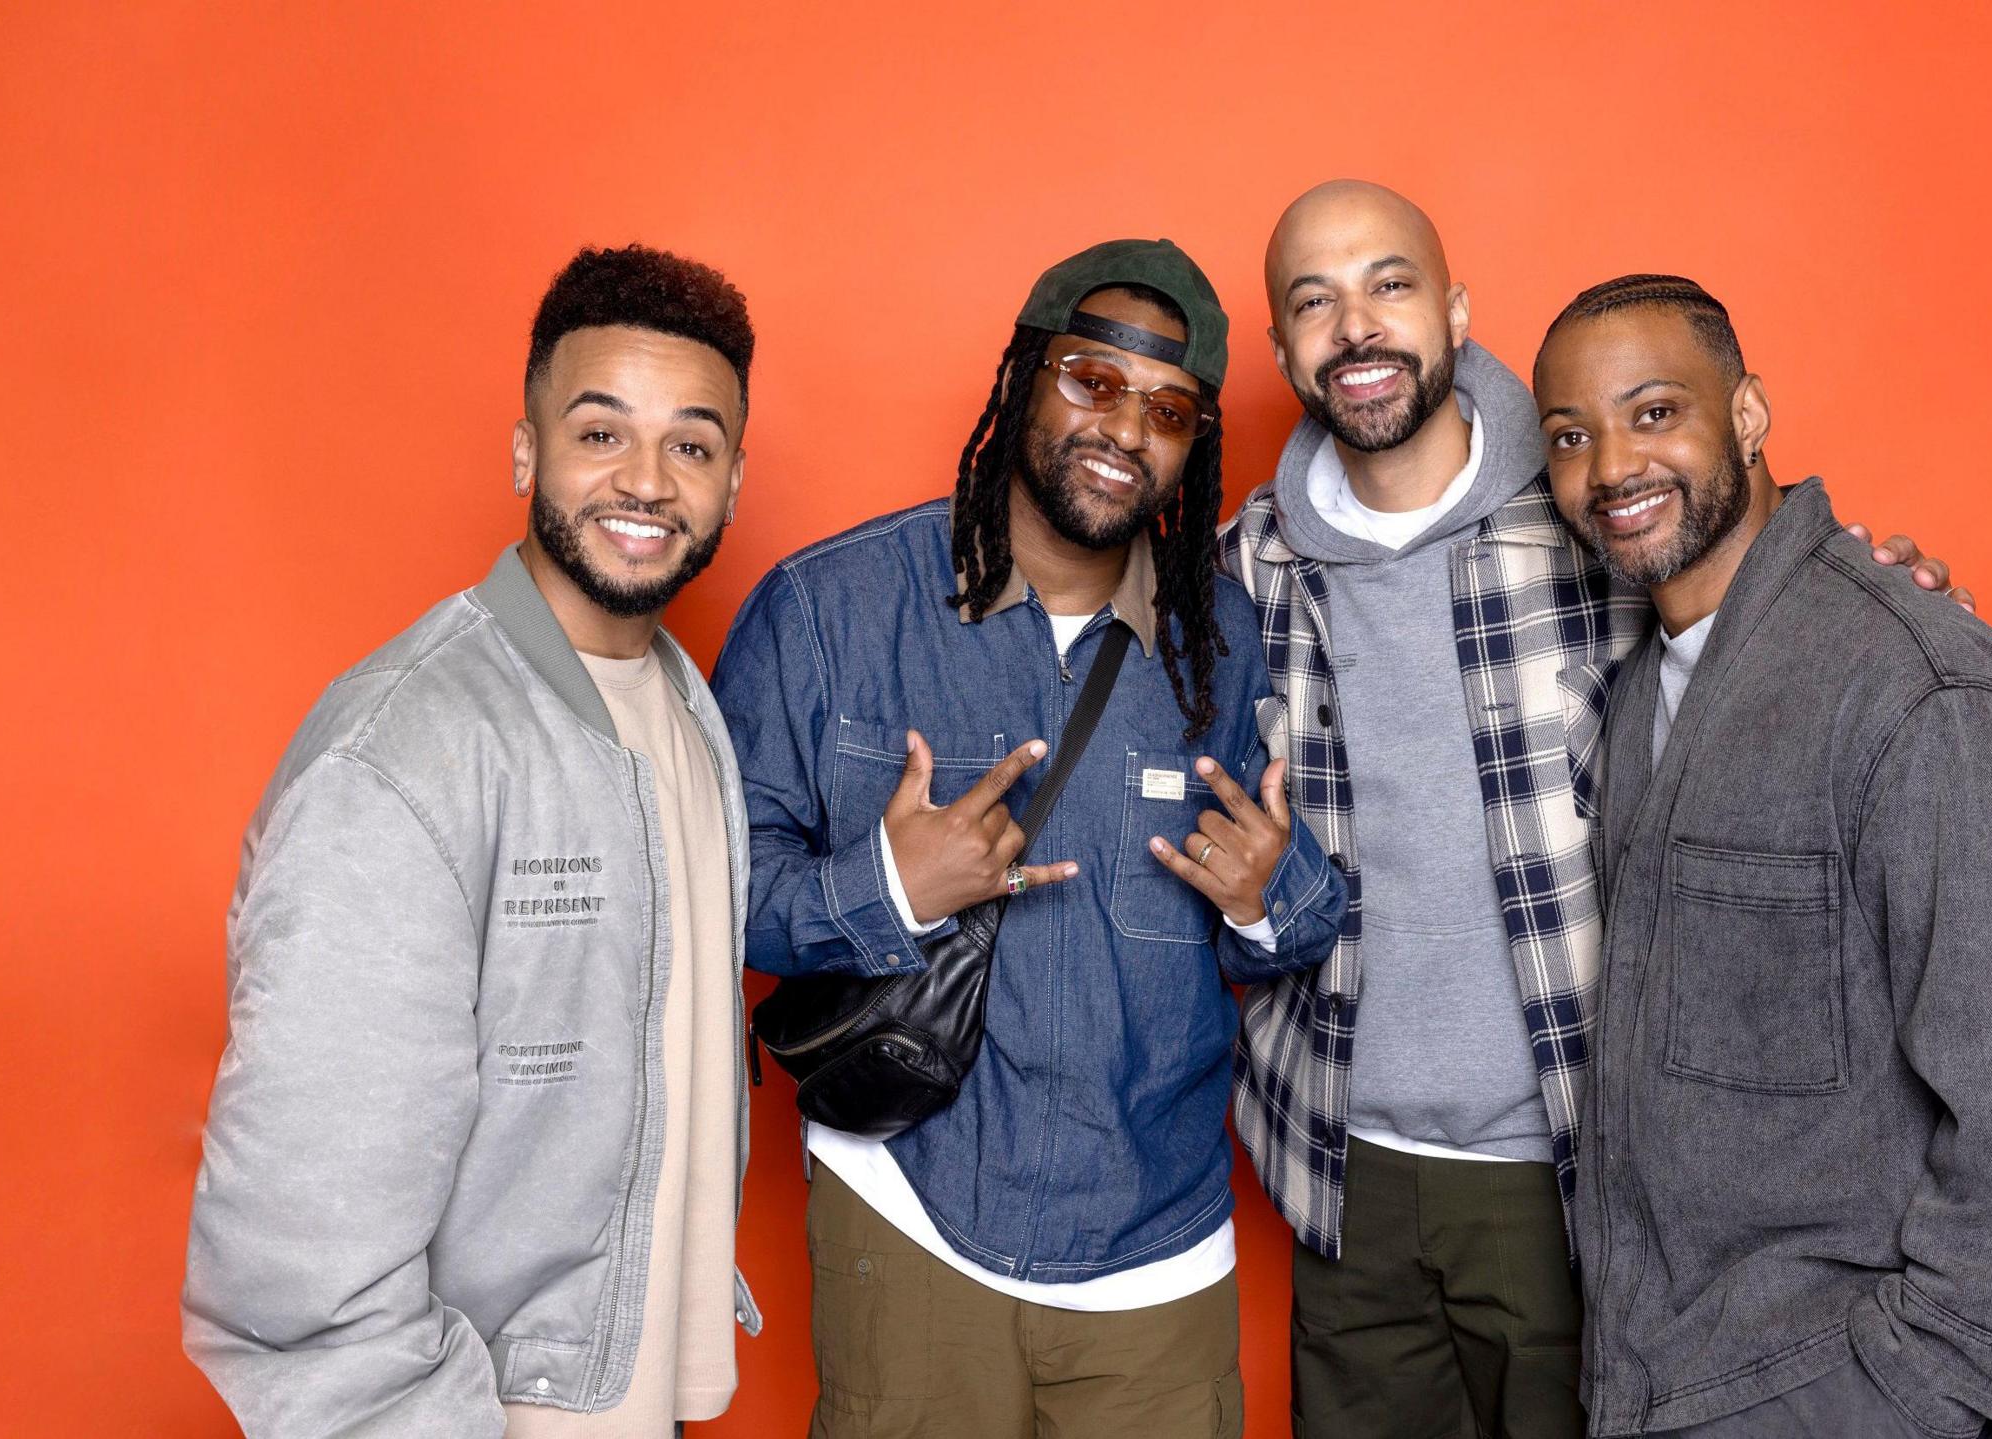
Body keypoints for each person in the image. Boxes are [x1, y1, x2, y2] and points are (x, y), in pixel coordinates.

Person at [1222, 179, 1975, 1438]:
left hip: (1573, 1161)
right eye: (1315, 299)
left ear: (1455, 310)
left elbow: (1762, 601)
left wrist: (1878, 585)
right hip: (1340, 1161)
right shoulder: (1248, 561)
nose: (1355, 325)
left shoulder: (1593, 512)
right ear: (1281, 346)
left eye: (1389, 283)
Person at [713, 238, 1346, 1439]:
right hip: (908, 1208)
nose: (1123, 427)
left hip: (1154, 1238)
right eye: (1088, 379)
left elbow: (1302, 922)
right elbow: (711, 890)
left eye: (1166, 407)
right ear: (1020, 375)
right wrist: (887, 889)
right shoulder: (828, 608)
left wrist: (1271, 895)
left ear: (1195, 439)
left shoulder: (1228, 642)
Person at [1534, 274, 1992, 1437]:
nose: (1610, 465)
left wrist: (1915, 1385)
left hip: (1839, 1395)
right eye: (1571, 436)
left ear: (1749, 414)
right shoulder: (1634, 697)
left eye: (1654, 411)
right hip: (1661, 1380)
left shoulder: (1913, 684)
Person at [182, 244, 764, 1438]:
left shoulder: (686, 709)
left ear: (733, 480)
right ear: (524, 449)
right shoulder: (404, 755)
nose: (646, 481)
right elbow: (298, 1252)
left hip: (627, 1398)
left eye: (691, 445)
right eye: (602, 432)